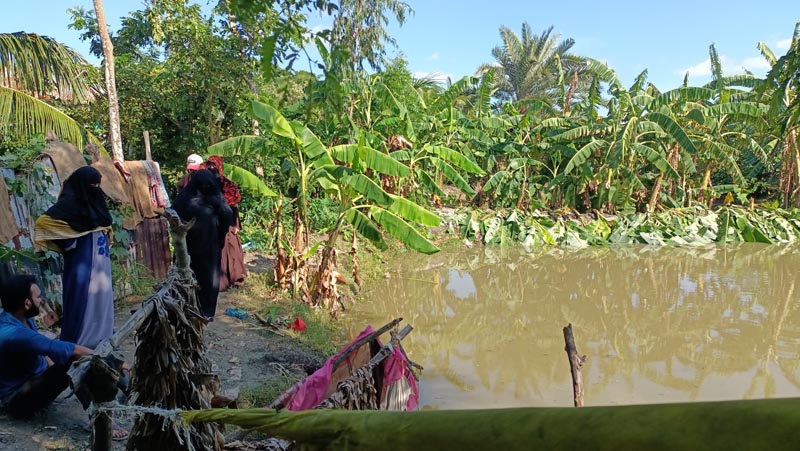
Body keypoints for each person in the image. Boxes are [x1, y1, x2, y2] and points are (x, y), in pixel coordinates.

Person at [34, 166, 114, 349]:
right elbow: (43, 222)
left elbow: (105, 223)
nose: (95, 188)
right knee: (82, 300)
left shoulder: (96, 201)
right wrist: (70, 239)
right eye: (91, 184)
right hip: (83, 262)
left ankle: (103, 339)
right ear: (81, 184)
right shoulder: (70, 204)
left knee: (101, 300)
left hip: (101, 263)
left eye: (97, 184)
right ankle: (78, 345)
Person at [0, 274, 92, 418]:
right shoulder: (12, 333)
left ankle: (125, 388)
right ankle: (101, 417)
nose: (41, 300)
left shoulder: (23, 317)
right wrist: (113, 361)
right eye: (38, 297)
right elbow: (64, 348)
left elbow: (43, 350)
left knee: (80, 356)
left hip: (33, 383)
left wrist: (56, 372)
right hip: (15, 400)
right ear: (27, 303)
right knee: (76, 358)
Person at [173, 169, 233, 321]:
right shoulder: (185, 198)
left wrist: (220, 234)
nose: (205, 189)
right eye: (202, 186)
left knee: (209, 279)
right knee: (185, 275)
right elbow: (172, 216)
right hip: (188, 247)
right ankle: (184, 307)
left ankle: (206, 311)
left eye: (208, 186)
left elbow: (227, 215)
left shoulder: (215, 198)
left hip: (209, 245)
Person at [204, 156, 247, 291]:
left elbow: (234, 204)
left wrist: (235, 224)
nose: (211, 167)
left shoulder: (228, 184)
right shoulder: (203, 183)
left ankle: (235, 278)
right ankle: (219, 282)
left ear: (219, 166)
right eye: (209, 165)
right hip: (211, 221)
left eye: (213, 165)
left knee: (232, 248)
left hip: (227, 220)